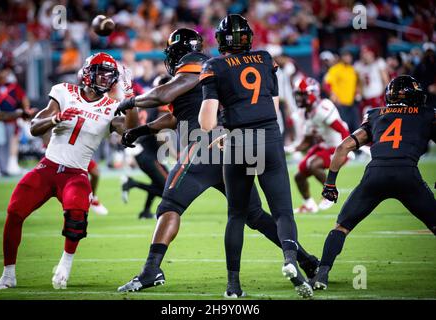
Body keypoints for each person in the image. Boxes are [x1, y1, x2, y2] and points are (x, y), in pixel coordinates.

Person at [114, 28, 318, 297]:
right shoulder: (209, 70)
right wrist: (142, 130)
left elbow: (162, 96)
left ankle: (151, 270)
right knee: (253, 215)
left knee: (170, 205)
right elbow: (180, 115)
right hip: (232, 145)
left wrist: (129, 100)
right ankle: (304, 259)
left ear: (177, 52)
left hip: (204, 146)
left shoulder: (196, 64)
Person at [0, 52, 138, 290]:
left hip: (76, 173)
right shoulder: (64, 91)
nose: (105, 79)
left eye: (110, 75)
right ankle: (8, 274)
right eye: (101, 73)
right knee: (14, 211)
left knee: (77, 213)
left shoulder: (112, 107)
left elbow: (132, 133)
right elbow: (35, 127)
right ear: (89, 73)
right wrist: (55, 119)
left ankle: (65, 264)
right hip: (47, 167)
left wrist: (130, 98)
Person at [198, 14, 313, 298]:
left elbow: (207, 123)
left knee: (237, 214)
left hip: (238, 139)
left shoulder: (213, 66)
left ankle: (233, 286)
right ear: (248, 37)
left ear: (221, 40)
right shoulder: (265, 58)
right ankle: (289, 259)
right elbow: (272, 105)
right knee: (283, 211)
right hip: (269, 137)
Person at [311, 75, 436, 290]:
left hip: (375, 174)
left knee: (341, 227)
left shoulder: (376, 115)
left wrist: (330, 184)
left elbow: (343, 147)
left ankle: (321, 275)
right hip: (407, 173)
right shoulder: (426, 114)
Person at [285, 77, 350, 213]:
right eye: (298, 95)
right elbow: (307, 142)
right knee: (299, 176)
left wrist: (347, 150)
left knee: (313, 165)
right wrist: (290, 149)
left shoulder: (322, 107)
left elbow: (342, 130)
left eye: (302, 94)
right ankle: (309, 205)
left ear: (312, 94)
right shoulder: (307, 113)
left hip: (338, 147)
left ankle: (330, 192)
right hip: (325, 146)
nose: (299, 98)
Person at [121, 74, 171, 219]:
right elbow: (160, 133)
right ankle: (133, 183)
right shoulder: (160, 104)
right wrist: (173, 152)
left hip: (144, 151)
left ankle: (145, 211)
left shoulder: (148, 102)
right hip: (148, 153)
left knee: (158, 182)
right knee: (166, 188)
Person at [324, 50, 359, 134]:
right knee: (344, 129)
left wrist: (357, 93)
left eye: (349, 56)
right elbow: (327, 84)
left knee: (355, 128)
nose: (347, 58)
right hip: (340, 104)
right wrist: (333, 96)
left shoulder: (352, 70)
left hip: (351, 104)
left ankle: (356, 147)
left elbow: (355, 84)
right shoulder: (335, 69)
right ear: (341, 57)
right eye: (345, 56)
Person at [354, 46, 389, 116]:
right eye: (363, 53)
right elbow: (358, 83)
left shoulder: (378, 63)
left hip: (378, 97)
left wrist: (385, 96)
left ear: (372, 54)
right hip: (365, 99)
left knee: (379, 120)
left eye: (367, 53)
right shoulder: (358, 66)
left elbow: (385, 80)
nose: (365, 55)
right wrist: (359, 94)